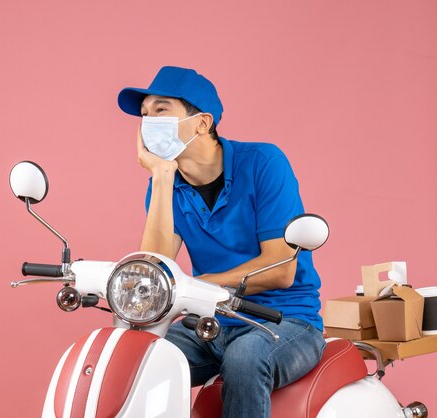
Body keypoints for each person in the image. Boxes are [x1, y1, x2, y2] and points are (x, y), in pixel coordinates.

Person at [117, 66, 326, 418]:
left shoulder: (263, 163)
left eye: (161, 110)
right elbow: (156, 270)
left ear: (202, 123)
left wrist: (192, 285)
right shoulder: (164, 184)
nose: (148, 122)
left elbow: (280, 270)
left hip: (285, 321)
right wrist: (162, 175)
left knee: (245, 358)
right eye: (144, 114)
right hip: (211, 322)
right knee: (139, 356)